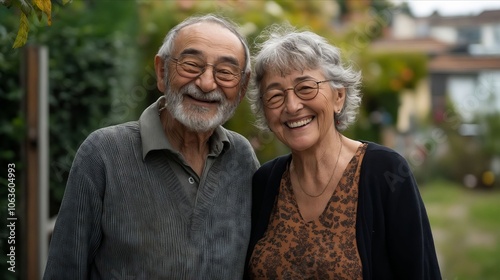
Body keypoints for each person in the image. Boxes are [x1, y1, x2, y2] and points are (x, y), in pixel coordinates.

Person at [43, 14, 260, 279]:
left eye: (225, 72)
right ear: (162, 71)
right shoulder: (104, 153)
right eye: (192, 65)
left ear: (242, 86)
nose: (206, 83)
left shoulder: (242, 158)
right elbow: (64, 270)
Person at [245, 24, 441, 279]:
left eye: (306, 88)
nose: (292, 106)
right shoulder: (265, 182)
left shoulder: (386, 172)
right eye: (275, 95)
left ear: (338, 96)